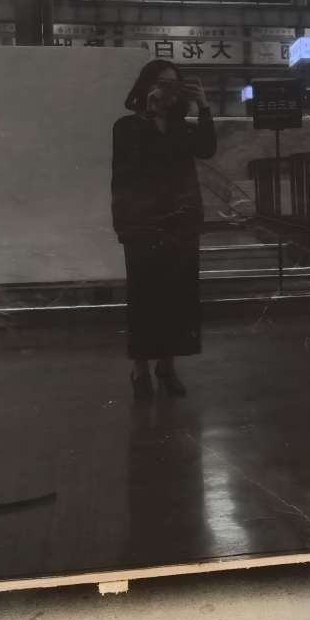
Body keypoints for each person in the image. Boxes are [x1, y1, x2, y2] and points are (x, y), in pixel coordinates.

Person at [112, 59, 217, 400]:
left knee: (177, 298)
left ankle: (166, 366)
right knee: (144, 298)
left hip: (180, 223)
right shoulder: (127, 127)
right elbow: (129, 169)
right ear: (146, 85)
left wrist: (204, 107)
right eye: (161, 83)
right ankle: (140, 369)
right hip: (142, 224)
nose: (168, 90)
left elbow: (207, 149)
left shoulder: (181, 128)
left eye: (174, 84)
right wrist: (149, 113)